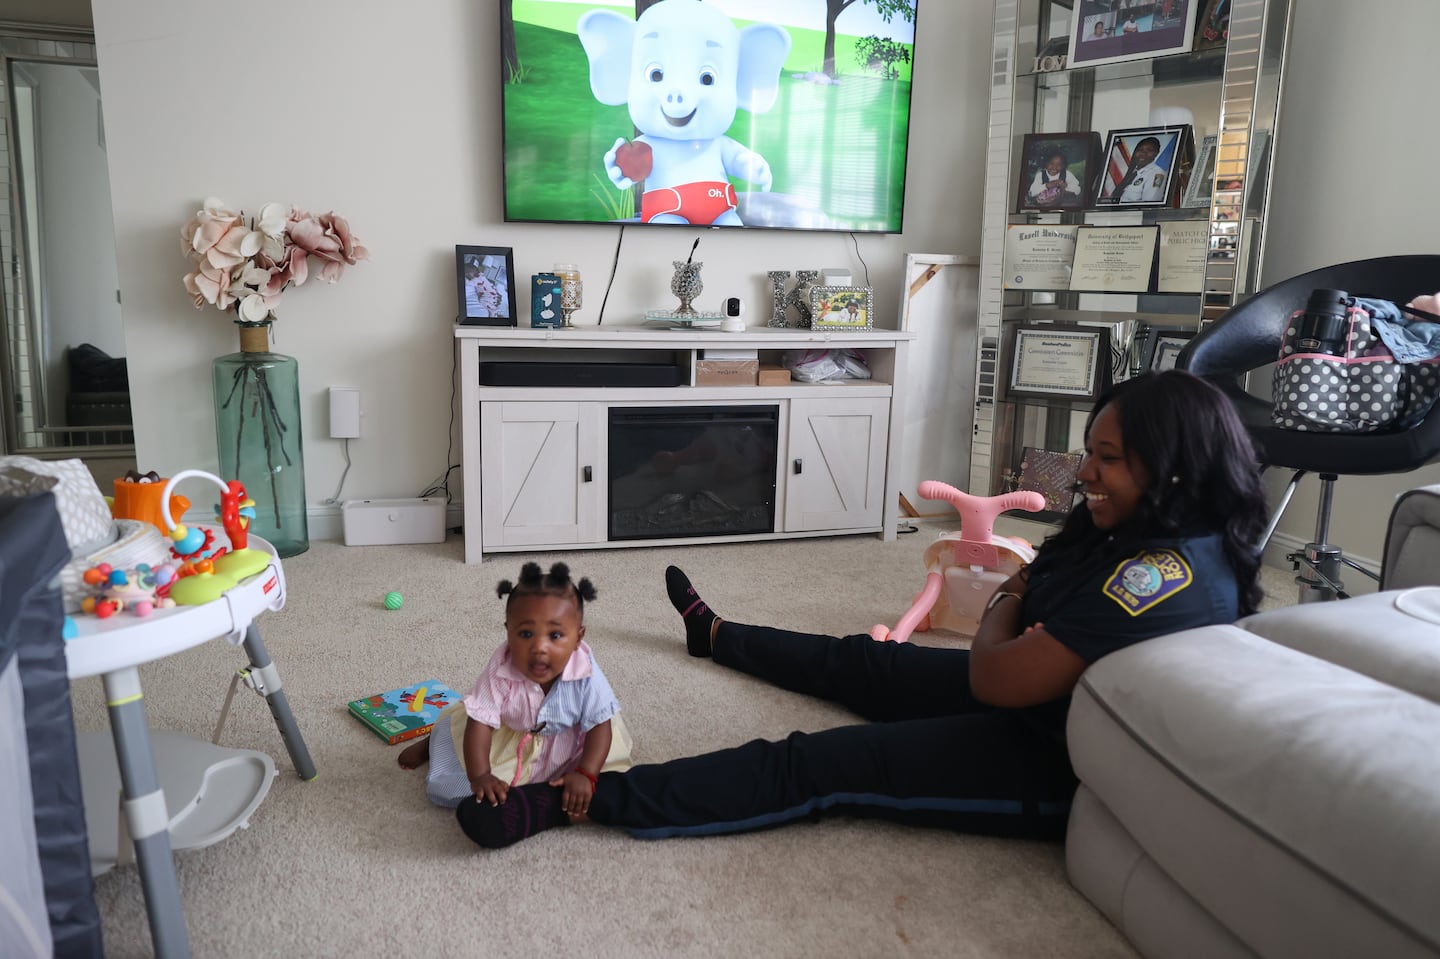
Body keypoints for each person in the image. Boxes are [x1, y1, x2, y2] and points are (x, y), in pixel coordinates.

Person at [452, 370, 1269, 849]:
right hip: (1049, 701)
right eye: (1090, 449)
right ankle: (716, 634)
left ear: (1170, 471)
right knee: (865, 662)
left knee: (822, 763)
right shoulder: (1136, 525)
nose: (1082, 473)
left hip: (1052, 761)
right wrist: (1022, 606)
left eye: (1107, 458)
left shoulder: (1164, 575)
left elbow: (993, 677)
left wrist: (1011, 597)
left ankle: (566, 801)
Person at [401, 561, 632, 824]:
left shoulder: (586, 671)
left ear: (578, 638)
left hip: (575, 742)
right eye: (525, 633)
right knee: (466, 790)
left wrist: (586, 773)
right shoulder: (501, 668)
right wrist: (481, 776)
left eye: (555, 635)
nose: (539, 647)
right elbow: (480, 724)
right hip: (509, 740)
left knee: (609, 785)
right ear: (508, 632)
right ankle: (434, 743)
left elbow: (600, 724)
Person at [1106, 136, 1168, 203]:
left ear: (1156, 153)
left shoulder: (1157, 174)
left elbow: (1149, 206)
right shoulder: (1131, 172)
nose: (1143, 153)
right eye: (1140, 150)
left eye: (1149, 150)